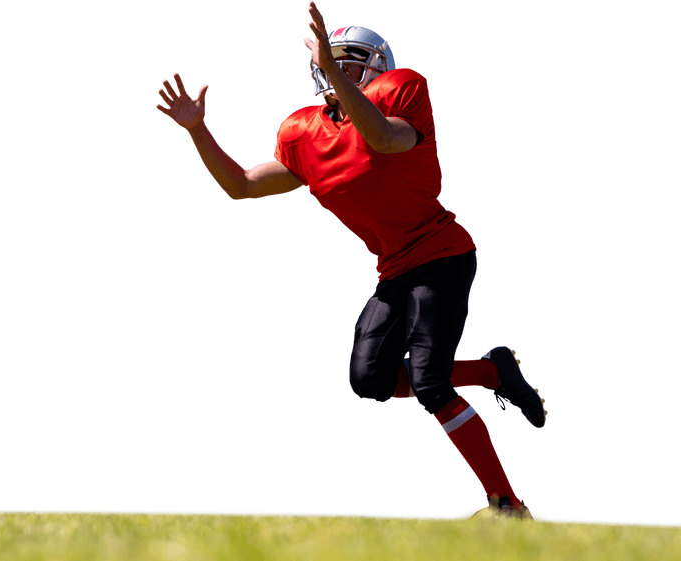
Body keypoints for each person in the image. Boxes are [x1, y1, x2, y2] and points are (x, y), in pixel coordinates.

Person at [155, 1, 546, 518]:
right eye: (330, 60)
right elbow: (243, 186)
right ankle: (492, 372)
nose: (335, 69)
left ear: (377, 66)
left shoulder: (404, 95)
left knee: (429, 384)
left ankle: (506, 503)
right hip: (393, 269)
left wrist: (338, 76)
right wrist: (197, 131)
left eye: (350, 61)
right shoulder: (303, 134)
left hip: (441, 254)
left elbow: (383, 139)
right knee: (371, 380)